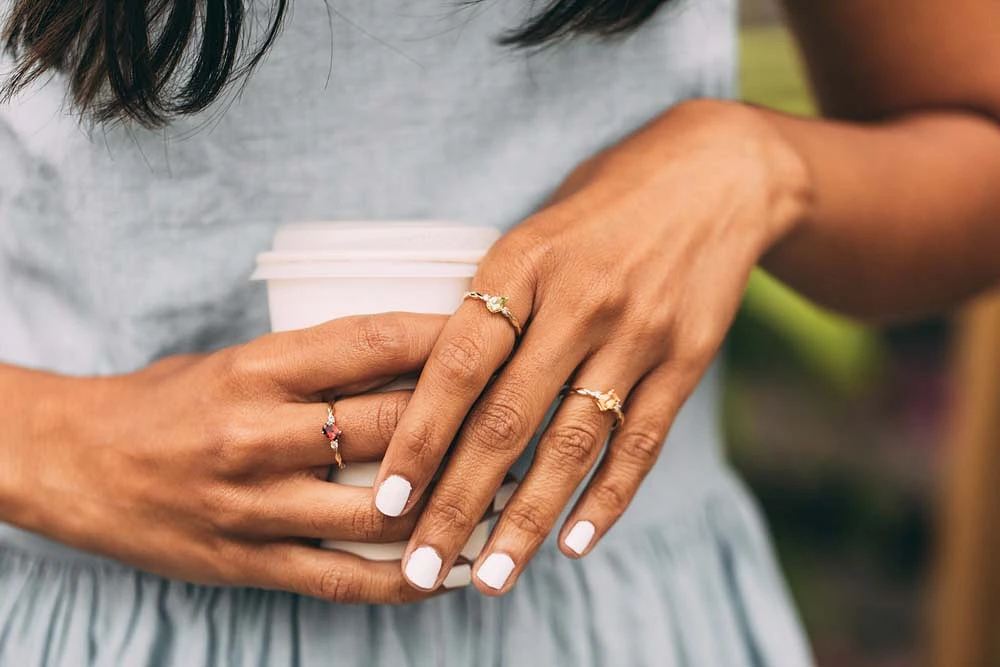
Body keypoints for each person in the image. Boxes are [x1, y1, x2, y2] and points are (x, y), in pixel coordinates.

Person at [1, 0, 999, 665]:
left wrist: (754, 164)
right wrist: (47, 444)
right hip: (87, 616)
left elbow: (973, 139)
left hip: (613, 617)